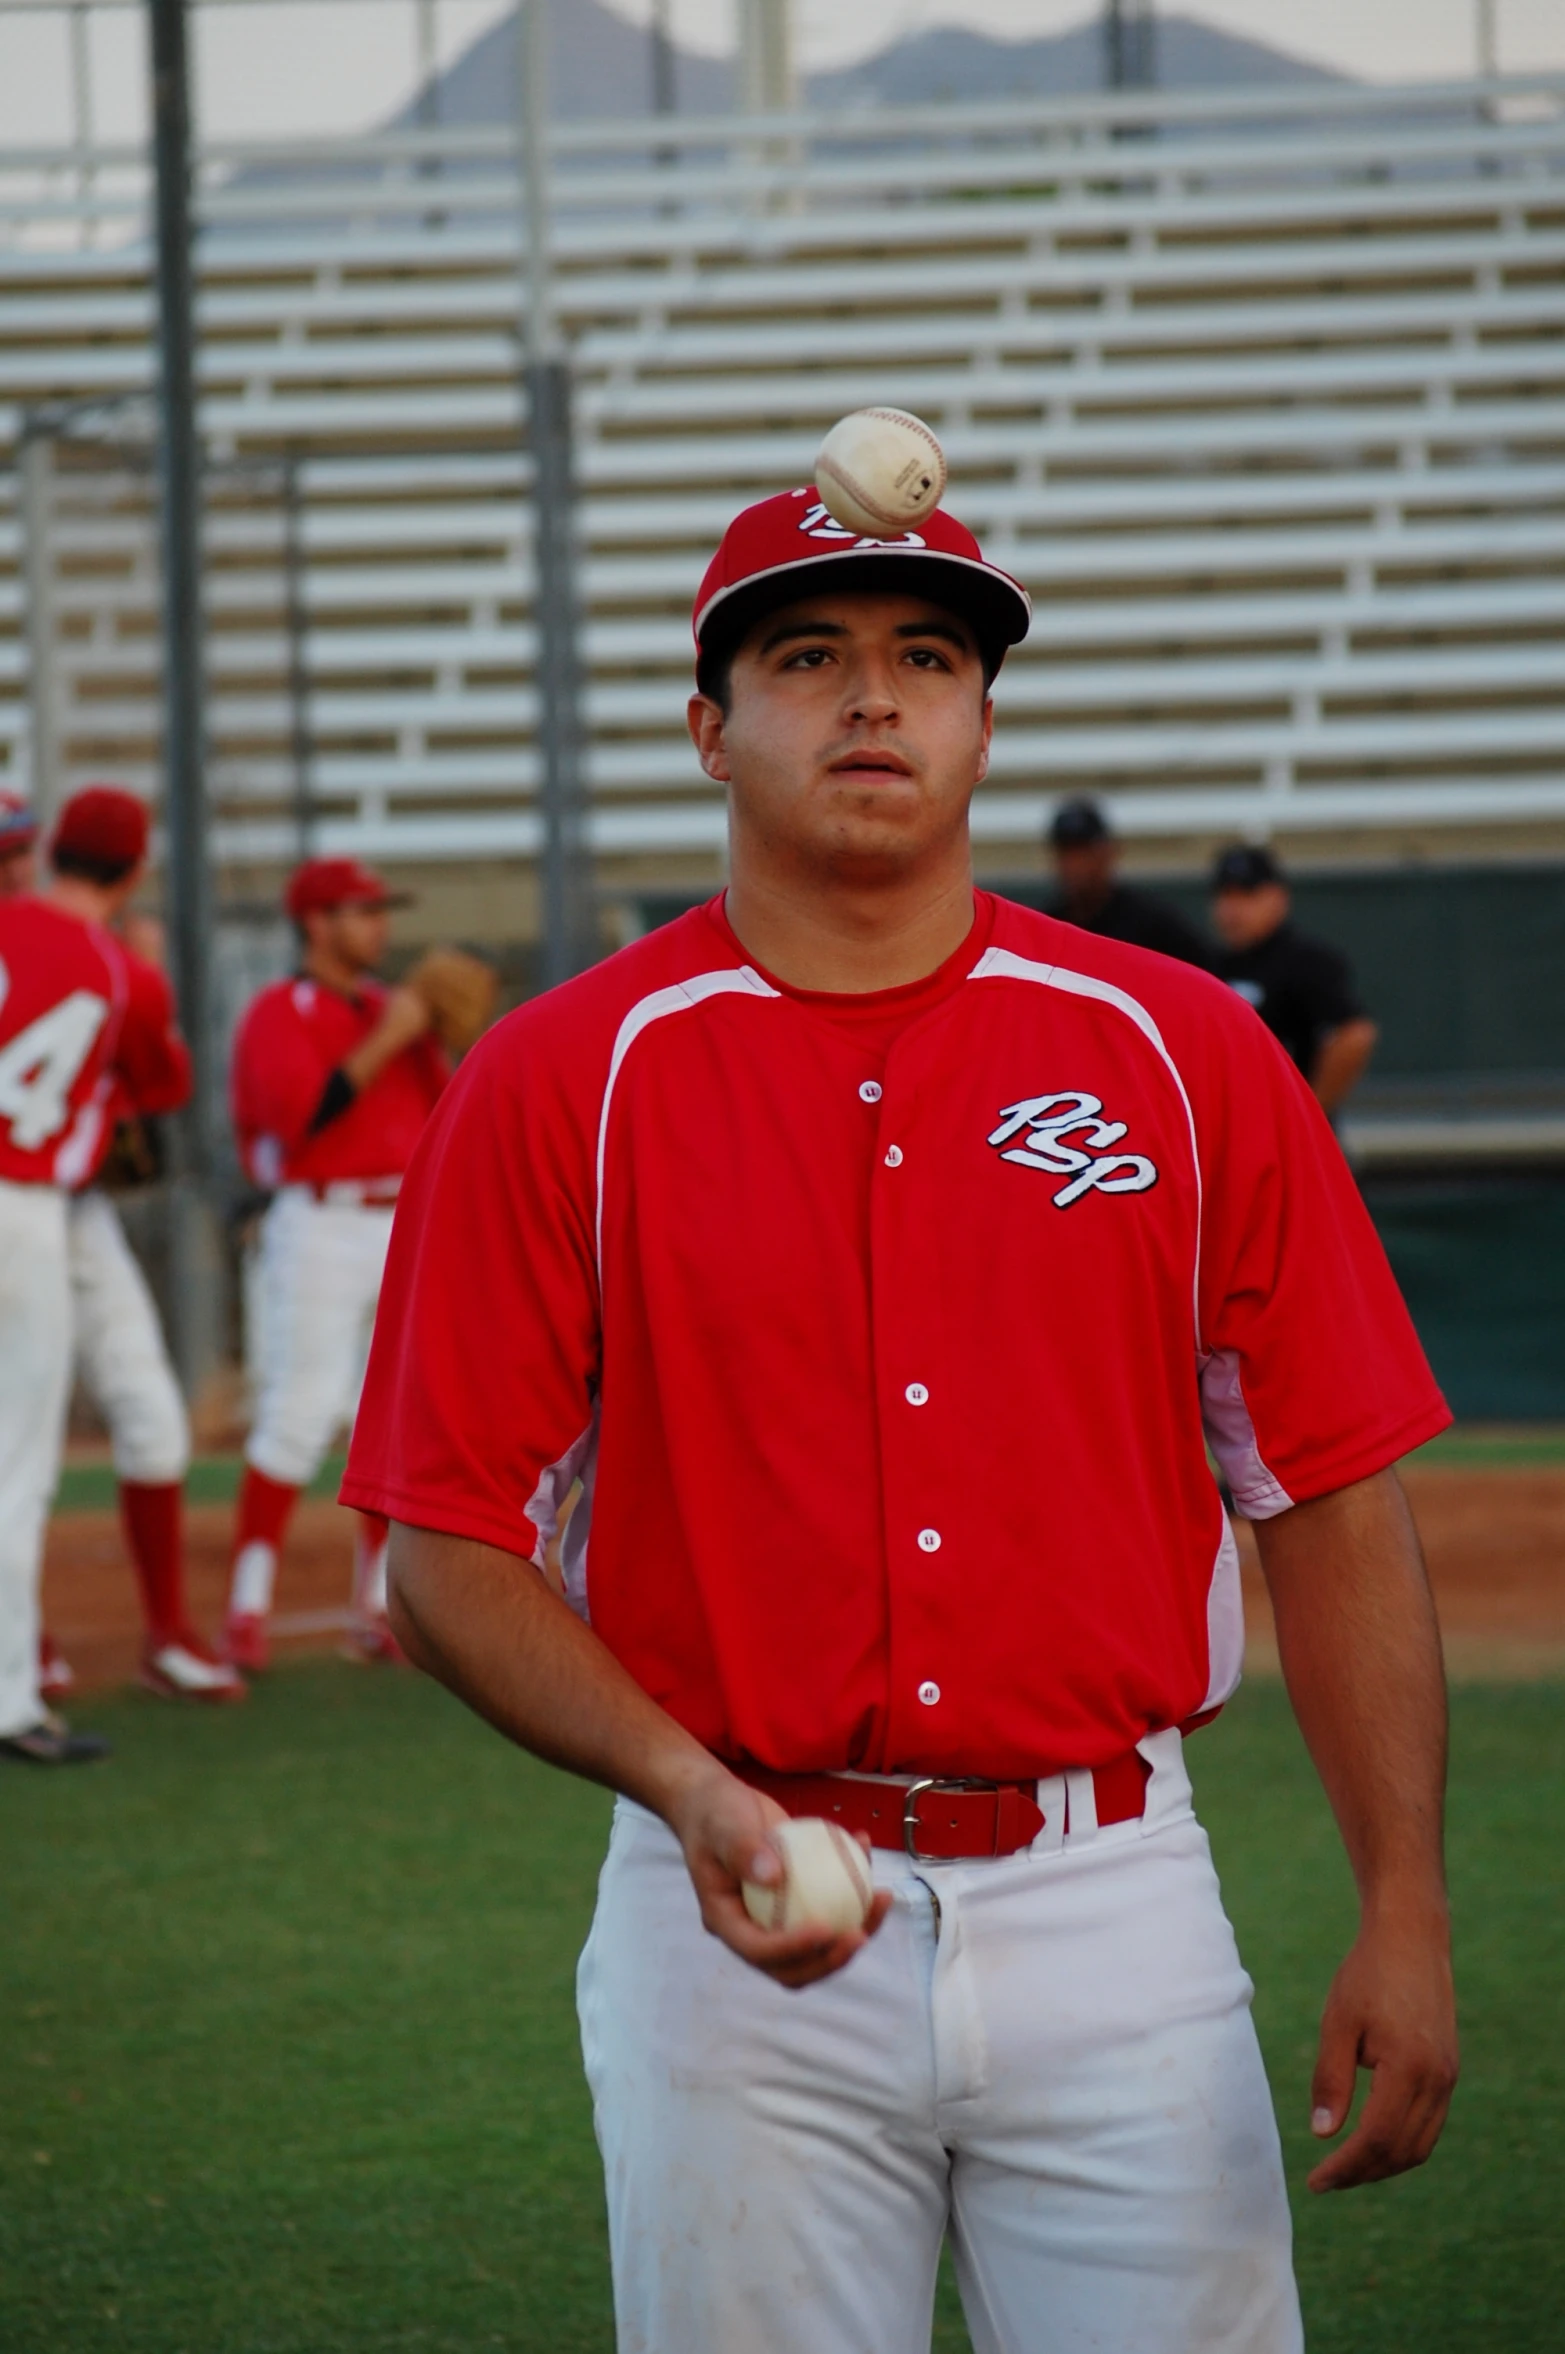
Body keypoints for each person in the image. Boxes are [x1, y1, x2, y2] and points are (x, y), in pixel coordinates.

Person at [343, 479, 1458, 2353]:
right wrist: (691, 1791)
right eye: (808, 657)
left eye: (927, 659)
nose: (876, 700)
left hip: (1119, 1900)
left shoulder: (1186, 1053)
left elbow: (1327, 1491)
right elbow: (441, 1548)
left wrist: (1405, 1899)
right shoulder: (561, 1078)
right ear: (710, 725)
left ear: (984, 720)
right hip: (729, 1913)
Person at [0, 794, 240, 1707]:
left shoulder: (36, 933)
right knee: (18, 1455)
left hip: (71, 1208)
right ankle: (20, 1666)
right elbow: (166, 1081)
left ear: (48, 851)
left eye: (22, 850)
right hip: (29, 1200)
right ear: (133, 872)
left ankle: (165, 1636)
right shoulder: (114, 966)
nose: (14, 867)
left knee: (147, 1413)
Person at [223, 857, 448, 1672]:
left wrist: (436, 1035)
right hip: (319, 1221)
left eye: (381, 910)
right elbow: (301, 1116)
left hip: (398, 1224)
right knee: (299, 1412)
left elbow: (444, 1113)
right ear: (315, 922)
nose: (379, 926)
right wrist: (393, 1034)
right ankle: (247, 1605)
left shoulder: (399, 1010)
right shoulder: (279, 1011)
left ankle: (376, 1604)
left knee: (387, 1420)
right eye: (361, 911)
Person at [1211, 844, 1379, 1116]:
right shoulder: (1208, 966)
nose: (1233, 909)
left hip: (1288, 1129)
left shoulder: (1307, 962)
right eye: (1225, 896)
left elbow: (1355, 1034)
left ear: (1278, 897)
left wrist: (1310, 1110)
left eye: (1247, 895)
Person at [1047, 794, 1212, 966]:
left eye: (1084, 852)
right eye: (1066, 853)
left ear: (1108, 852)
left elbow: (1203, 971)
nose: (1075, 864)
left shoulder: (1150, 923)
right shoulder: (1050, 927)